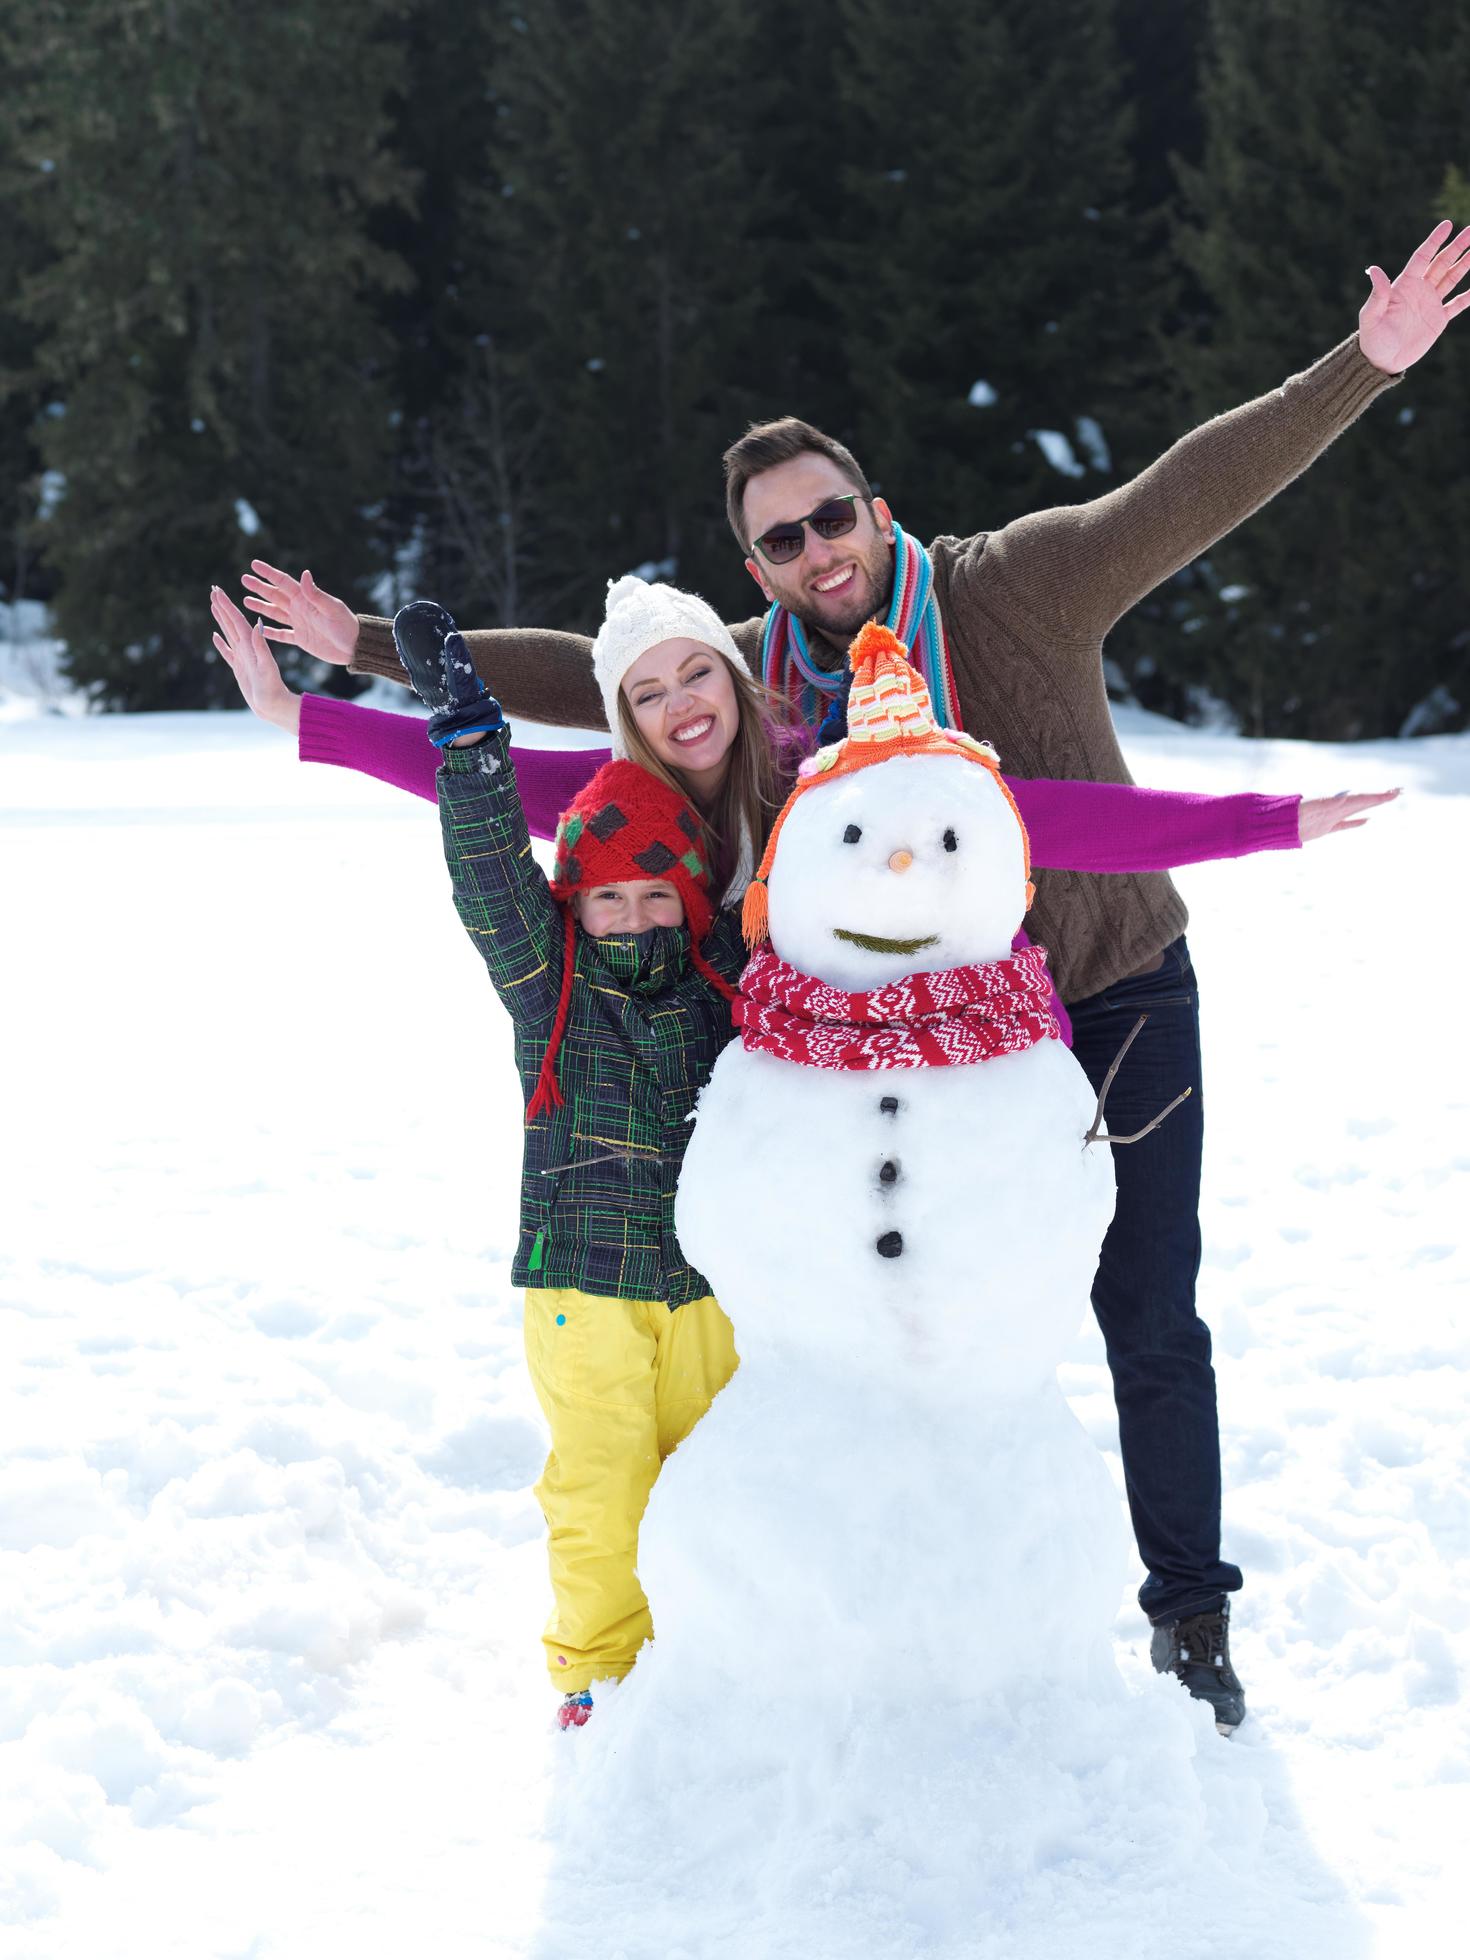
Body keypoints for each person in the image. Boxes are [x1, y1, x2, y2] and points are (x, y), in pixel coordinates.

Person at [216, 536, 1396, 1742]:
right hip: (700, 1191)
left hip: (839, 1174)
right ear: (624, 715)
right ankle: (665, 1665)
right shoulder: (628, 813)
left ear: (737, 676)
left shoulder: (818, 790)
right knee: (660, 1453)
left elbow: (1042, 818)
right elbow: (473, 786)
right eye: (646, 692)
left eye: (698, 676)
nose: (680, 708)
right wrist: (302, 717)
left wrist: (1273, 820)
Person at [388, 585, 753, 1735]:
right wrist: (474, 751)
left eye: (659, 894)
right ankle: (596, 1673)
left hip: (707, 1290)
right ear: (575, 905)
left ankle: (714, 1655)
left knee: (712, 1476)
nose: (636, 916)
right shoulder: (548, 990)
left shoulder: (722, 997)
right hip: (581, 1291)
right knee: (598, 1490)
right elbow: (492, 880)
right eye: (609, 899)